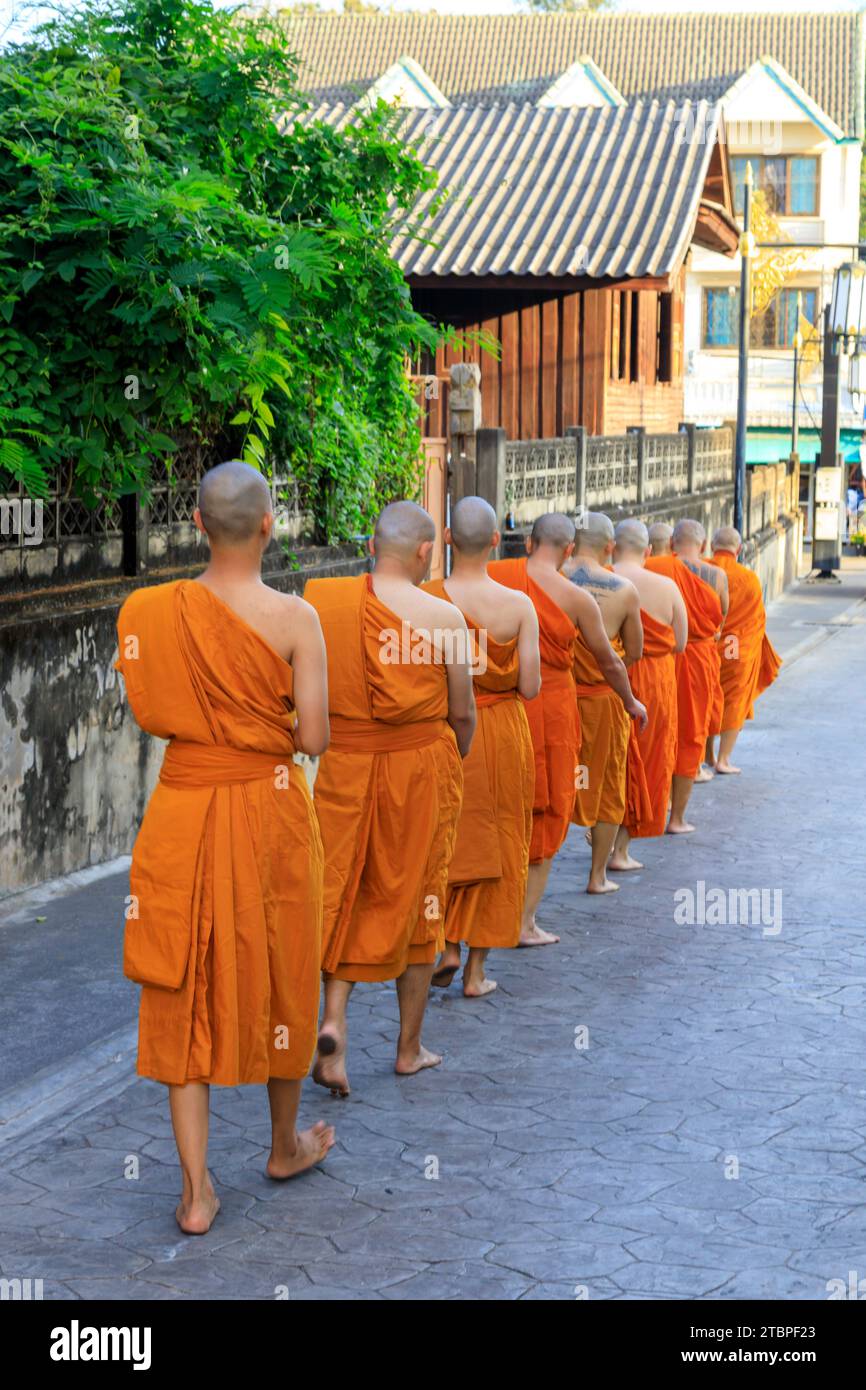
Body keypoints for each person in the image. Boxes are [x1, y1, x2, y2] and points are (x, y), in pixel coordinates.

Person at [116, 460, 334, 1237]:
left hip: (182, 811)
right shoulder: (296, 620)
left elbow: (153, 709)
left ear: (198, 525)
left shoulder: (151, 609)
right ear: (270, 525)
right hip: (272, 813)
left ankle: (195, 1192)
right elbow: (312, 737)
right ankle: (282, 1145)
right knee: (283, 966)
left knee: (180, 983)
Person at [305, 501, 474, 1098]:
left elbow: (304, 695)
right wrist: (457, 759)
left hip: (345, 766)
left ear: (372, 546)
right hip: (418, 770)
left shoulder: (321, 606)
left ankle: (333, 1021)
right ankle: (408, 1048)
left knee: (344, 889)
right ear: (426, 552)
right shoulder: (444, 618)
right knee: (420, 898)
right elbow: (462, 712)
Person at [424, 497, 538, 997]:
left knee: (450, 836)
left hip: (448, 731)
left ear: (447, 538)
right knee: (502, 838)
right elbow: (531, 686)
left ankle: (446, 941)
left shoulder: (426, 598)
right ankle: (475, 972)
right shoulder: (518, 605)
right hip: (503, 729)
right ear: (496, 541)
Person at [562, 513, 648, 893]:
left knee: (552, 782)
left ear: (571, 543)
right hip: (604, 701)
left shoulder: (549, 579)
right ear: (609, 547)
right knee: (609, 784)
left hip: (558, 696)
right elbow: (633, 652)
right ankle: (598, 876)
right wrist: (604, 673)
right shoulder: (623, 589)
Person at [611, 518, 687, 868]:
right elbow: (682, 642)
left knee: (614, 758)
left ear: (611, 546)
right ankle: (622, 849)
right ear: (650, 551)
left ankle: (604, 832)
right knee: (649, 757)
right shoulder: (666, 586)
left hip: (611, 675)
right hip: (656, 679)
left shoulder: (595, 581)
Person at [646, 519, 728, 833]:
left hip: (662, 657)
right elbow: (721, 620)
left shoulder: (656, 568)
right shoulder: (716, 575)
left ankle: (659, 801)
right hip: (699, 659)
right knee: (691, 733)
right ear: (705, 545)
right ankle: (677, 818)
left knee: (661, 730)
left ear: (671, 543)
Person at [705, 525, 782, 773]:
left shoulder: (701, 571)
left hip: (706, 647)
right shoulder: (749, 579)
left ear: (711, 546)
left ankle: (706, 756)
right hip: (737, 650)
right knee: (733, 702)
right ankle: (724, 759)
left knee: (705, 700)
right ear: (738, 550)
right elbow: (757, 621)